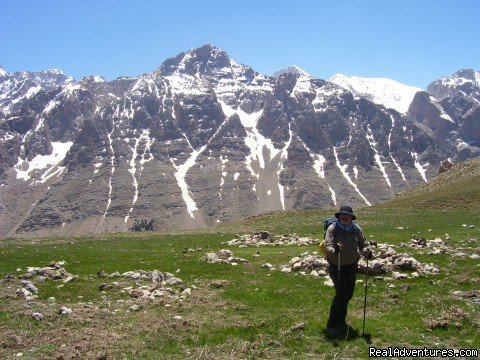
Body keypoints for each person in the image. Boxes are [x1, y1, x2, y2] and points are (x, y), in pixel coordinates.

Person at [324, 205, 372, 336]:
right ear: (339, 216)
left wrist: (366, 251)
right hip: (336, 265)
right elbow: (327, 245)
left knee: (349, 294)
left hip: (351, 265)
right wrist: (335, 250)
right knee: (341, 294)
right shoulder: (332, 228)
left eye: (347, 215)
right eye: (342, 214)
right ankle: (332, 324)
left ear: (351, 217)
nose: (345, 217)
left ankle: (342, 322)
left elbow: (363, 244)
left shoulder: (356, 229)